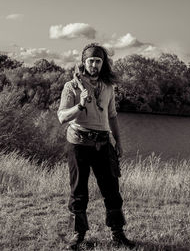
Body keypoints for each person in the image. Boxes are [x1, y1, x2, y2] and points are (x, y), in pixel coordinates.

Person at [57, 43, 135, 250]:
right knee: (79, 191)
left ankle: (118, 234)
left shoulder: (108, 87)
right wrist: (80, 105)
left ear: (103, 64)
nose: (94, 64)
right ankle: (78, 235)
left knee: (112, 190)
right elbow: (62, 117)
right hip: (79, 144)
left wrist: (118, 141)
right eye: (90, 60)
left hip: (103, 143)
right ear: (84, 62)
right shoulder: (71, 86)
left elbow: (112, 116)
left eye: (98, 61)